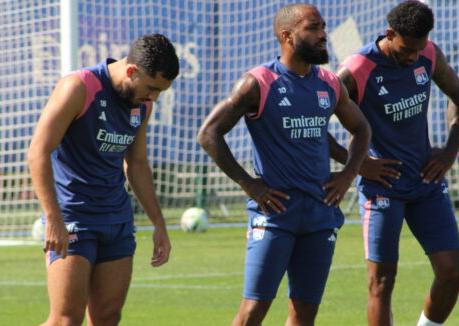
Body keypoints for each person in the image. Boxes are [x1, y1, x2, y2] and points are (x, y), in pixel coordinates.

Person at [198, 4, 371, 326]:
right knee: (253, 310)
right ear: (288, 36)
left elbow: (362, 129)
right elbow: (209, 134)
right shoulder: (258, 83)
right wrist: (250, 185)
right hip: (275, 215)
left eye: (323, 27)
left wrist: (348, 175)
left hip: (320, 214)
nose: (323, 35)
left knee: (305, 313)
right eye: (314, 28)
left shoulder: (329, 83)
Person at [331, 1, 459, 326]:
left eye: (418, 50)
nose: (412, 57)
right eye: (407, 49)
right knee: (381, 283)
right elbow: (313, 120)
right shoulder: (356, 70)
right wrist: (358, 165)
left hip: (426, 182)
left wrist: (450, 150)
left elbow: (458, 93)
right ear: (390, 34)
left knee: (452, 273)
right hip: (383, 188)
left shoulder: (428, 54)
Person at [27, 34, 178, 326]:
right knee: (66, 320)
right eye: (151, 88)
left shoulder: (142, 104)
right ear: (132, 71)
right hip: (73, 218)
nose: (154, 98)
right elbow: (38, 152)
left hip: (117, 221)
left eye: (161, 91)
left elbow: (136, 164)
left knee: (107, 318)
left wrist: (159, 223)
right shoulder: (79, 87)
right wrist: (53, 219)